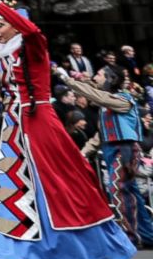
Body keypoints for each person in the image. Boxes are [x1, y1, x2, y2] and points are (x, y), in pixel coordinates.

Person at [0, 0, 135, 259]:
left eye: (0, 24)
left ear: (15, 24)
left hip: (39, 122)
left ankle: (115, 252)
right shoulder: (6, 52)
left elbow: (33, 32)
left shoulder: (33, 47)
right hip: (15, 126)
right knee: (9, 190)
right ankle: (8, 252)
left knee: (64, 185)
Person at [54, 65, 153, 249]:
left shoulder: (124, 99)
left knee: (117, 187)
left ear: (111, 78)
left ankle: (129, 237)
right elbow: (100, 135)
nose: (96, 76)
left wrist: (68, 80)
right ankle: (148, 235)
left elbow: (98, 96)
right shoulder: (105, 105)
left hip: (124, 149)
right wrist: (82, 153)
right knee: (131, 193)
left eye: (99, 74)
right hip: (111, 148)